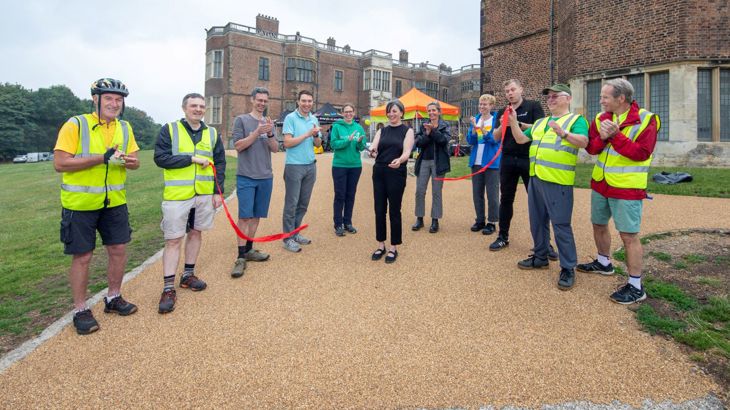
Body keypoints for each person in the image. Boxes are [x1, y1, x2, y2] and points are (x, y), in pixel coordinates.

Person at [53, 78, 140, 334]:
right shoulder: (76, 124)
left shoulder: (124, 127)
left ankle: (113, 297)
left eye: (119, 99)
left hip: (114, 201)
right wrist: (101, 158)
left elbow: (135, 161)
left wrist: (130, 162)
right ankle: (81, 309)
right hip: (80, 204)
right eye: (109, 98)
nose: (114, 103)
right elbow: (60, 163)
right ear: (96, 99)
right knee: (83, 256)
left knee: (118, 249)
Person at [577, 78, 659, 304]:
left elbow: (642, 153)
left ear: (621, 98)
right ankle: (604, 263)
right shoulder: (601, 118)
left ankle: (636, 286)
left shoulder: (647, 119)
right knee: (598, 224)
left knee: (629, 236)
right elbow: (592, 148)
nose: (601, 101)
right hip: (601, 183)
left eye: (605, 97)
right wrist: (603, 138)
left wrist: (616, 136)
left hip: (627, 187)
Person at [507, 84, 589, 290]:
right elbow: (520, 139)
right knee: (537, 222)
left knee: (561, 225)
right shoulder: (541, 122)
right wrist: (513, 122)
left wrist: (563, 133)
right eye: (548, 97)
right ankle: (540, 256)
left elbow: (583, 142)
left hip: (558, 180)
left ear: (568, 99)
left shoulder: (576, 120)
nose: (550, 100)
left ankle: (568, 267)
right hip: (536, 178)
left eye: (555, 96)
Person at [153, 93, 226, 314]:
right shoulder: (170, 129)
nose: (198, 109)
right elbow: (160, 158)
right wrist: (190, 159)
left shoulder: (212, 133)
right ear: (184, 108)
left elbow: (220, 162)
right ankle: (168, 288)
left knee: (196, 233)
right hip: (177, 195)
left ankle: (188, 275)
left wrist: (217, 191)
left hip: (203, 194)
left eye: (202, 106)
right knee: (173, 240)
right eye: (194, 106)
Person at [489, 79, 558, 261]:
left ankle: (545, 243)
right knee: (506, 199)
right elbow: (495, 137)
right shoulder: (503, 111)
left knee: (537, 201)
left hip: (528, 158)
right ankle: (503, 236)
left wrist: (517, 124)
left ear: (521, 89)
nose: (510, 93)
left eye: (512, 89)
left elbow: (541, 129)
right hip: (508, 159)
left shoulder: (533, 106)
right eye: (507, 91)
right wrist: (502, 124)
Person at [230, 87, 278, 278]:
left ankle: (249, 249)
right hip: (246, 176)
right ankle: (240, 257)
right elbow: (238, 146)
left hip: (265, 176)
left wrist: (270, 133)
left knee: (257, 216)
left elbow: (275, 149)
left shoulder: (269, 122)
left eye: (265, 101)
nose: (262, 103)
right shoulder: (241, 120)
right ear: (252, 100)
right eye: (259, 100)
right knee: (245, 217)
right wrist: (257, 132)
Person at [370, 100, 415, 263]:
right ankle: (381, 244)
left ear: (401, 113)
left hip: (396, 172)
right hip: (379, 171)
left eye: (394, 111)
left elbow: (407, 152)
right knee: (379, 209)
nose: (391, 114)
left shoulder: (407, 131)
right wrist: (372, 151)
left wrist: (400, 160)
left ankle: (393, 247)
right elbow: (374, 147)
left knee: (395, 210)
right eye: (389, 111)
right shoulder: (381, 131)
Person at [281, 90, 322, 252]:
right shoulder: (290, 118)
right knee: (291, 204)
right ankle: (288, 238)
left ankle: (295, 232)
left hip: (310, 166)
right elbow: (287, 143)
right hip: (294, 166)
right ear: (298, 101)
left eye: (309, 101)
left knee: (303, 204)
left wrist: (316, 135)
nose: (307, 104)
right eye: (304, 101)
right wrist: (307, 134)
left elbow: (318, 144)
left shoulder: (314, 119)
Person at [412, 102, 451, 233]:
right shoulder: (423, 125)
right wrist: (427, 133)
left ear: (439, 112)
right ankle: (419, 218)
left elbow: (443, 141)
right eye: (429, 111)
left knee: (436, 192)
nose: (431, 113)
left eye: (434, 110)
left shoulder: (445, 125)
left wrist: (432, 131)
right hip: (424, 161)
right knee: (419, 191)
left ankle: (435, 220)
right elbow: (419, 143)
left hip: (438, 162)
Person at [330, 103, 367, 236]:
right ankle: (338, 224)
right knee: (340, 195)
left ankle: (348, 222)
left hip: (355, 166)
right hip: (340, 165)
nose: (348, 114)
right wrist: (348, 140)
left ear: (354, 112)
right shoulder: (337, 127)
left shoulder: (359, 128)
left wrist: (359, 142)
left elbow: (361, 148)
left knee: (350, 195)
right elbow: (333, 144)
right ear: (342, 113)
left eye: (350, 111)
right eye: (346, 111)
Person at [466, 94, 501, 235]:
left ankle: (492, 222)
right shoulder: (476, 119)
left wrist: (484, 131)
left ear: (491, 105)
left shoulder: (496, 121)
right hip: (476, 162)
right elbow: (471, 141)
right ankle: (480, 220)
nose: (482, 106)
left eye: (485, 104)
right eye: (480, 104)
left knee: (492, 194)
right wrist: (474, 130)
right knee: (477, 193)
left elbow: (495, 140)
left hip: (491, 163)